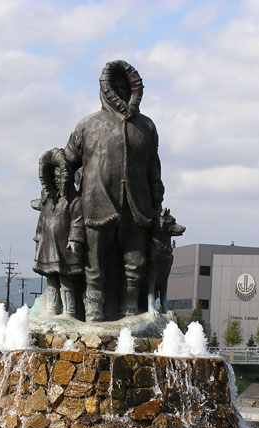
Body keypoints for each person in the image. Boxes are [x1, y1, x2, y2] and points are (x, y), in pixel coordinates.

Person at [64, 60, 165, 321]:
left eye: (125, 86)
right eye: (115, 86)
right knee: (94, 265)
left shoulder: (146, 127)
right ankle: (94, 310)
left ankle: (131, 309)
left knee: (136, 264)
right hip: (97, 203)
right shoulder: (87, 125)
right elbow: (67, 161)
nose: (120, 91)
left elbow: (154, 169)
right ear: (105, 90)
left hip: (137, 206)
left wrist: (156, 198)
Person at [33, 148, 85, 317]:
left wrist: (75, 239)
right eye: (53, 178)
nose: (56, 181)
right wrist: (39, 235)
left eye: (59, 177)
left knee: (66, 279)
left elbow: (77, 221)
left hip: (65, 248)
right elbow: (42, 221)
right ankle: (52, 309)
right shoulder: (48, 201)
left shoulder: (74, 201)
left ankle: (69, 311)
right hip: (48, 246)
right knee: (51, 279)